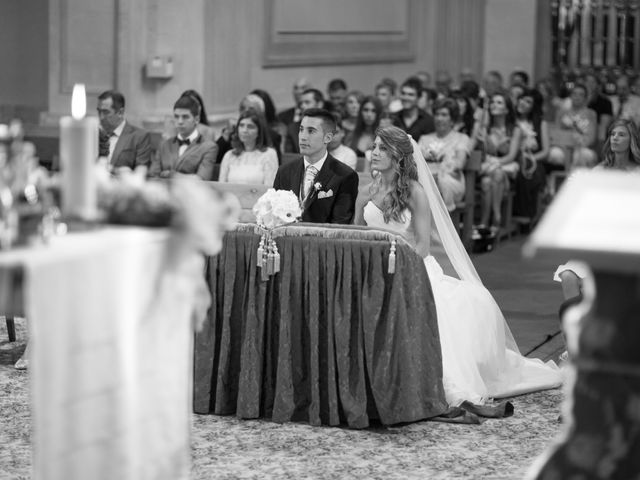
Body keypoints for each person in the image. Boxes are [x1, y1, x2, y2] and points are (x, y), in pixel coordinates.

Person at [354, 125, 562, 407]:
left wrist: (397, 272)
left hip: (411, 268)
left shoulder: (415, 192)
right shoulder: (367, 190)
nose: (374, 152)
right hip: (373, 269)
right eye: (374, 146)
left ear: (399, 157)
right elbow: (356, 234)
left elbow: (423, 246)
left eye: (382, 148)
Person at [553, 118, 640, 360]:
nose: (615, 138)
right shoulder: (600, 170)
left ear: (631, 140)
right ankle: (577, 341)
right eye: (612, 134)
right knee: (569, 275)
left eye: (621, 135)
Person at [273, 108, 358, 224]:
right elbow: (275, 216)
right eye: (301, 130)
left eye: (311, 131)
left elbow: (340, 225)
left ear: (327, 138)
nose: (303, 137)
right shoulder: (284, 171)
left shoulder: (345, 176)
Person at [474, 91, 522, 231]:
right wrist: (484, 140)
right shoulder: (485, 128)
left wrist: (495, 162)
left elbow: (511, 156)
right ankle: (492, 219)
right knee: (486, 181)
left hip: (506, 172)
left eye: (499, 102)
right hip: (487, 172)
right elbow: (483, 155)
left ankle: (494, 215)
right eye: (493, 102)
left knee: (498, 173)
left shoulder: (515, 130)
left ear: (507, 109)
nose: (494, 105)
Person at [417, 98, 470, 212]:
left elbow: (460, 164)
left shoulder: (461, 138)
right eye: (437, 114)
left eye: (444, 115)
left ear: (452, 119)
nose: (439, 118)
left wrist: (445, 159)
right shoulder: (424, 138)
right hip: (427, 182)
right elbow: (415, 163)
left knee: (440, 181)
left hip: (450, 181)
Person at [150, 95, 218, 180]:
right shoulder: (164, 145)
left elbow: (202, 179)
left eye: (185, 117)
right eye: (176, 116)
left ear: (196, 119)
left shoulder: (209, 147)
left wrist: (172, 175)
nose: (180, 121)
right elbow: (153, 177)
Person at [513, 88, 550, 222]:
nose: (522, 103)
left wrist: (530, 159)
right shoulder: (511, 119)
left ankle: (527, 216)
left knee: (532, 171)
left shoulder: (540, 123)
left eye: (528, 102)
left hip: (533, 158)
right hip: (513, 155)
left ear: (534, 107)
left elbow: (546, 151)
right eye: (521, 99)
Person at [218, 109, 279, 185]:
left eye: (250, 127)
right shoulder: (229, 155)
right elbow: (221, 186)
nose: (244, 130)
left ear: (259, 132)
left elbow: (270, 188)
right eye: (241, 125)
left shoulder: (269, 154)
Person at [96, 90, 152, 170]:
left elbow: (141, 171)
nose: (101, 117)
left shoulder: (139, 136)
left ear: (120, 112)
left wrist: (112, 170)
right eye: (99, 112)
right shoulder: (93, 136)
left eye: (106, 112)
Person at [548, 83, 598, 170]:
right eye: (574, 94)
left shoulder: (591, 113)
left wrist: (579, 144)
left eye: (581, 95)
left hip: (582, 146)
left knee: (586, 155)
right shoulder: (561, 112)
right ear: (570, 96)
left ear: (585, 98)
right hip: (563, 146)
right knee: (554, 154)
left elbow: (591, 138)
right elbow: (556, 134)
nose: (577, 97)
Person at [392, 76, 435, 141]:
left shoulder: (429, 121)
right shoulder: (393, 118)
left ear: (418, 97)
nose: (406, 97)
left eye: (410, 95)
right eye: (403, 93)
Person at [283, 88, 325, 153]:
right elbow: (289, 157)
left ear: (319, 104)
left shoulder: (331, 125)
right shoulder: (293, 128)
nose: (302, 106)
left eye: (307, 102)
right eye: (301, 103)